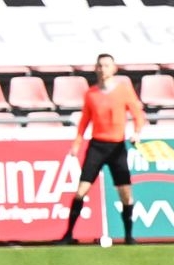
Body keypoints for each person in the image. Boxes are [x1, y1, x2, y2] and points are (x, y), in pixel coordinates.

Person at [62, 53, 147, 245]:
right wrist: (77, 143)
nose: (103, 69)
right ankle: (68, 234)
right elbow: (84, 121)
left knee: (125, 192)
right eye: (100, 65)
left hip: (117, 146)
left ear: (114, 68)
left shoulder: (124, 90)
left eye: (107, 65)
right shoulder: (91, 93)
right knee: (81, 190)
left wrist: (137, 132)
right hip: (97, 146)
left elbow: (137, 114)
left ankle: (128, 236)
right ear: (96, 68)